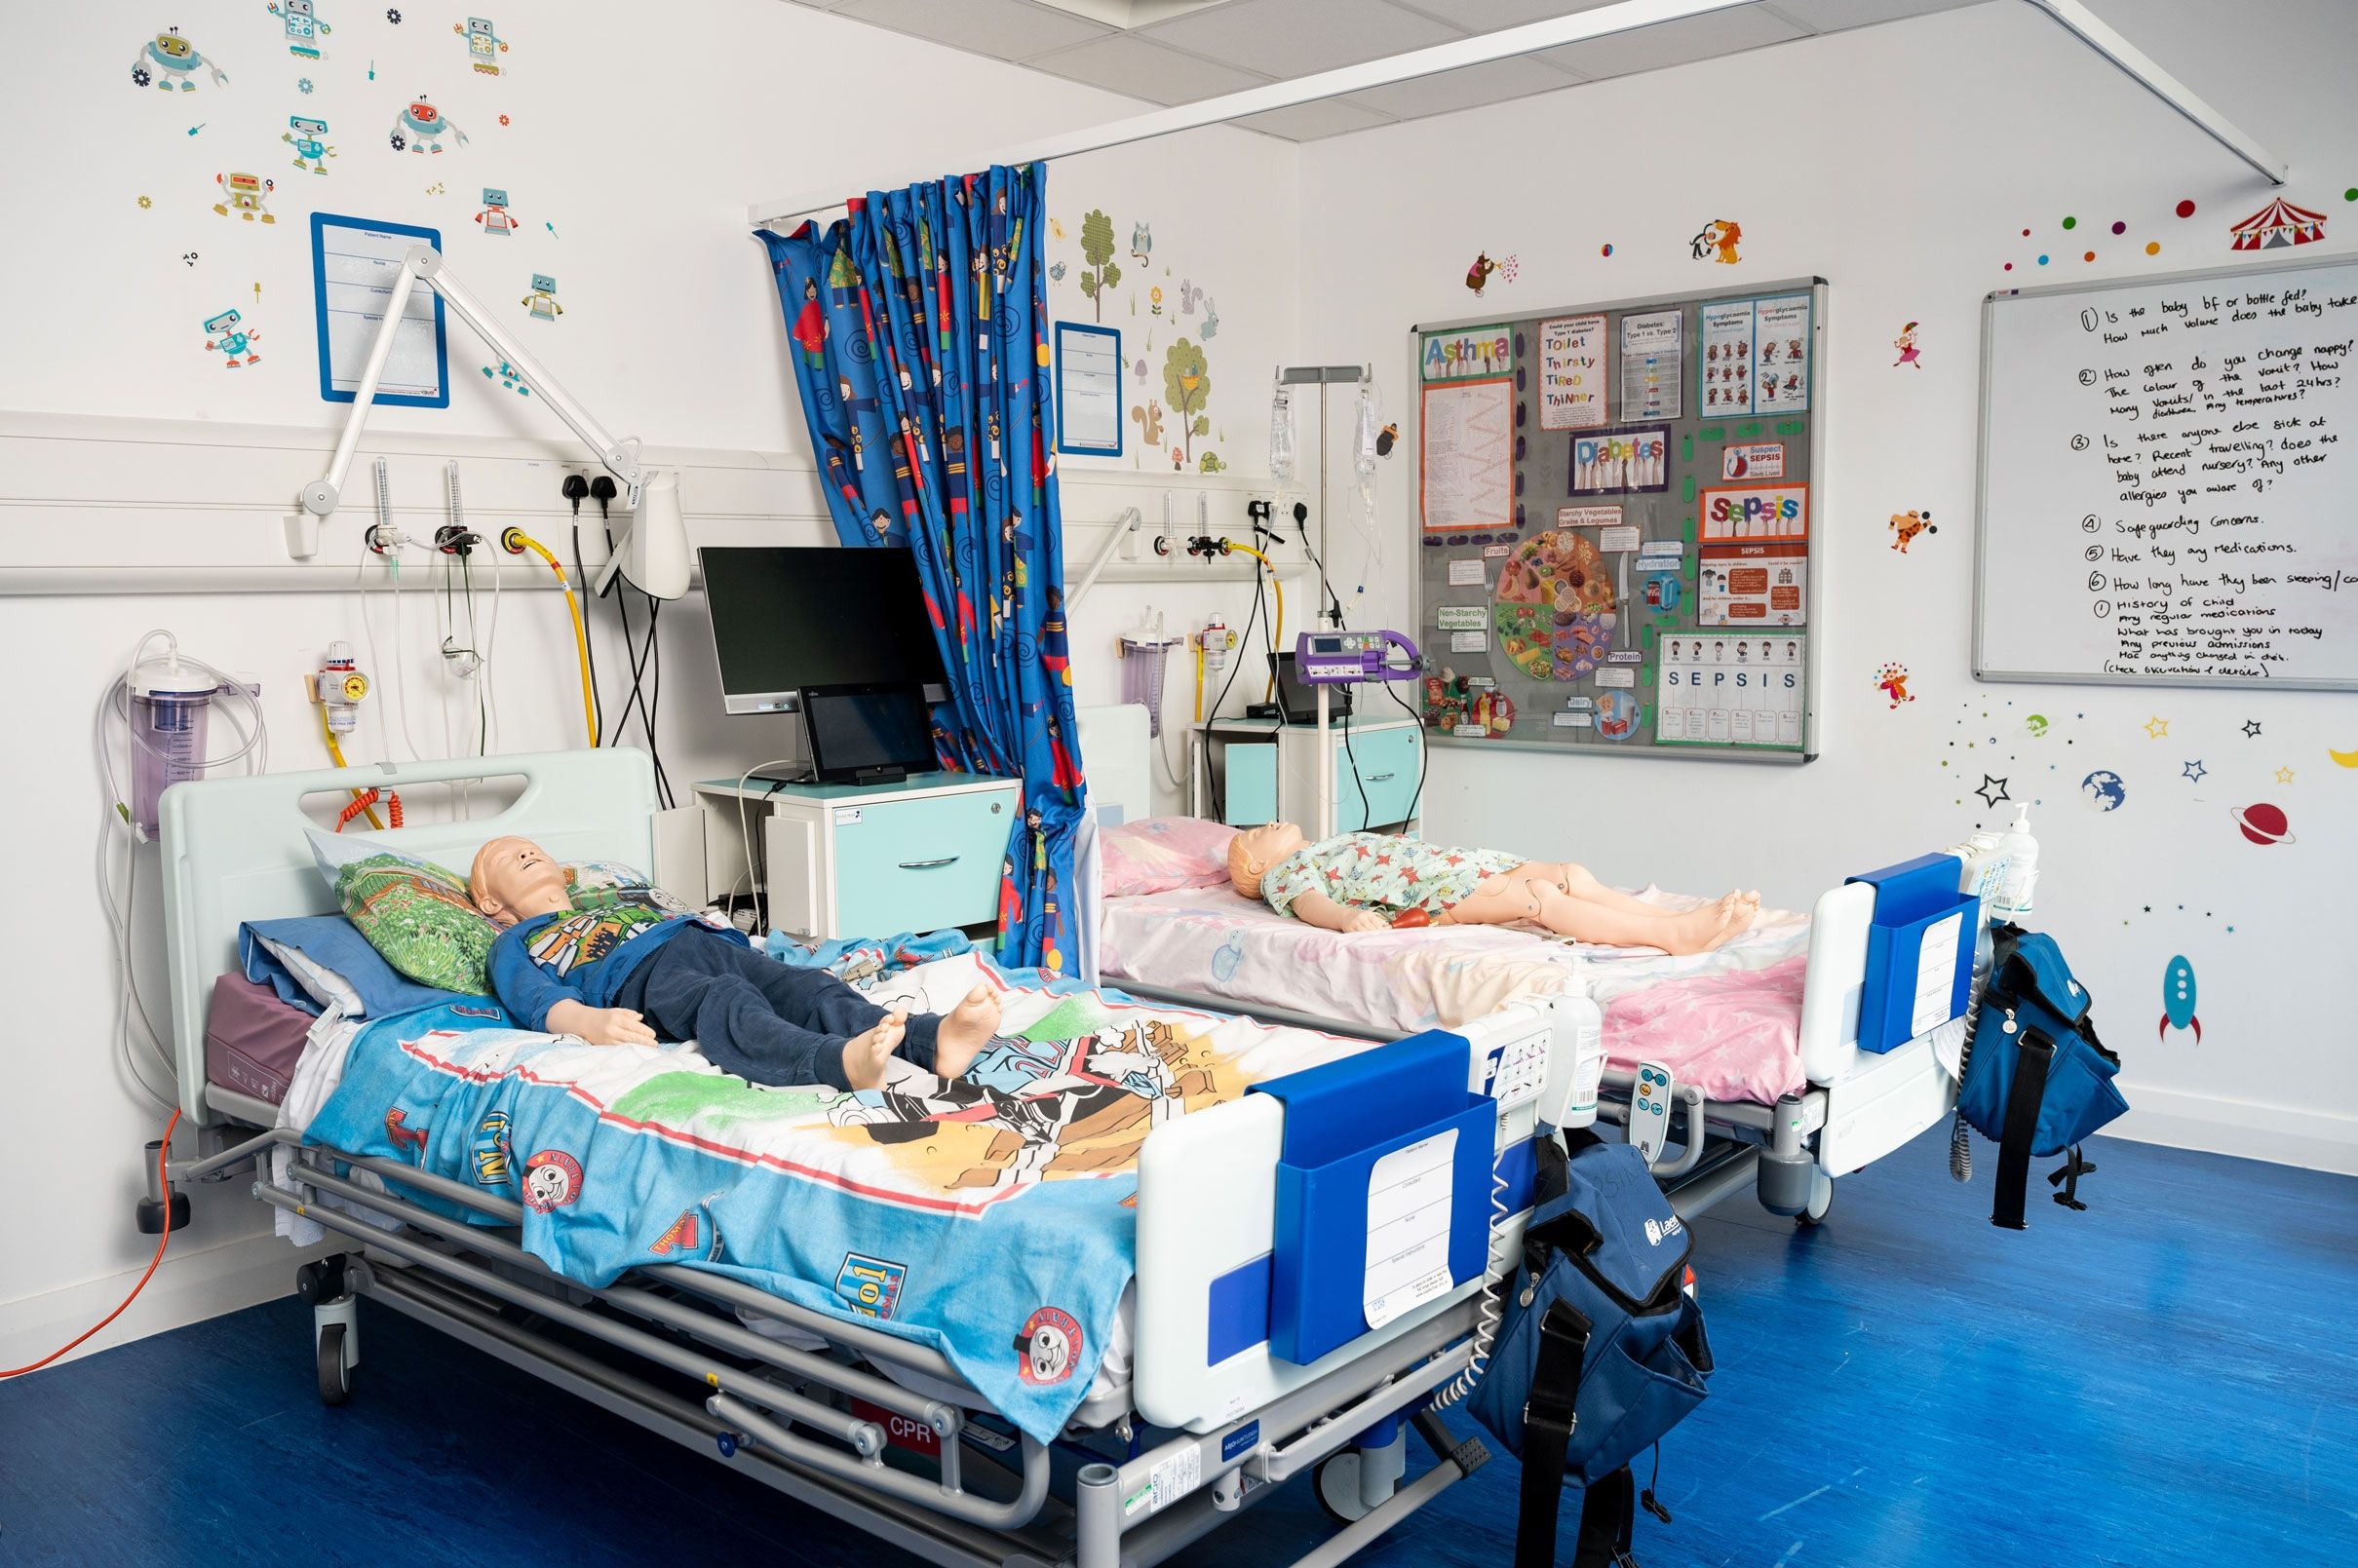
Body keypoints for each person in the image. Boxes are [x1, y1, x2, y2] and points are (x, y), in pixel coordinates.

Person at [468, 836, 999, 1091]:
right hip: (643, 978)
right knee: (724, 1001)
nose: (524, 852)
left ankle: (933, 1041)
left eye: (532, 848)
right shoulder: (515, 941)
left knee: (808, 987)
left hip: (705, 942)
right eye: (505, 858)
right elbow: (533, 999)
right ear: (491, 903)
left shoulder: (615, 901)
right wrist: (588, 1022)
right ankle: (835, 1062)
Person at [1227, 823, 1758, 956]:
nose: (1268, 822)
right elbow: (1309, 902)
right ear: (1259, 864)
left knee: (1571, 873)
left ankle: (1670, 921)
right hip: (1434, 896)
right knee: (1540, 901)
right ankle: (1675, 937)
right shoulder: (1287, 872)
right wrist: (1344, 919)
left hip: (1455, 868)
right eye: (1256, 834)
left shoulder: (1320, 846)